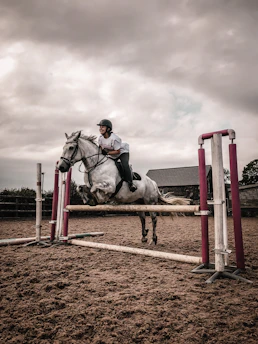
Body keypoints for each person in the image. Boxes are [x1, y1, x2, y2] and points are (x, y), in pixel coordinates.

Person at [97, 119, 137, 192]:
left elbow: (118, 151)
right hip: (112, 153)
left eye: (102, 127)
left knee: (124, 165)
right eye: (100, 127)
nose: (100, 128)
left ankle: (130, 183)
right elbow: (100, 148)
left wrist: (107, 153)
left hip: (122, 152)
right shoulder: (100, 138)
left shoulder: (115, 138)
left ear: (108, 129)